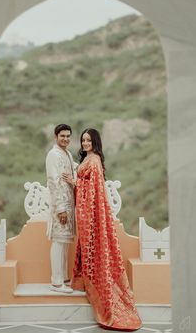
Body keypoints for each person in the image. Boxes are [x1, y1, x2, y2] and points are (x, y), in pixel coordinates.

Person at [62, 128, 142, 330]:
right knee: (86, 246)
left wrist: (75, 181)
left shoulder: (94, 160)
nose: (85, 143)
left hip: (91, 214)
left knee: (93, 248)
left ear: (95, 142)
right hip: (84, 213)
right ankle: (86, 281)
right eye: (83, 140)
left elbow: (94, 187)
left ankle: (101, 290)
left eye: (88, 140)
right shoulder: (88, 159)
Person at [46, 124, 76, 293]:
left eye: (67, 136)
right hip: (61, 206)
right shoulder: (53, 155)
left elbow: (74, 170)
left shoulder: (67, 154)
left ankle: (63, 277)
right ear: (55, 136)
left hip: (69, 205)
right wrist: (61, 208)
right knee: (58, 241)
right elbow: (53, 182)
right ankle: (56, 282)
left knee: (65, 242)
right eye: (62, 136)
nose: (65, 139)